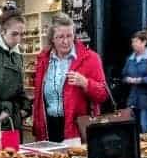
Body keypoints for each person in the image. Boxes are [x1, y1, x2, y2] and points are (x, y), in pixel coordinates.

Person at [32, 13, 108, 142]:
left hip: (77, 128)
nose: (66, 41)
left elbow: (103, 94)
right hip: (48, 126)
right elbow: (39, 98)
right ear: (52, 39)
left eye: (69, 36)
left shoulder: (90, 58)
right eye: (60, 37)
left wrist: (86, 83)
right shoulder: (43, 59)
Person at [122, 31, 147, 134]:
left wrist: (141, 80)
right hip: (133, 98)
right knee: (132, 125)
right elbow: (123, 75)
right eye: (132, 42)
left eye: (136, 41)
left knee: (145, 125)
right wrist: (127, 79)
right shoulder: (130, 58)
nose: (133, 44)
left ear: (144, 42)